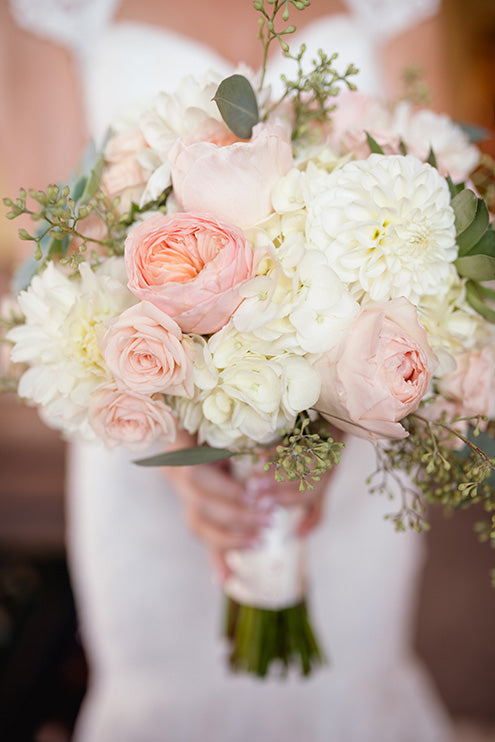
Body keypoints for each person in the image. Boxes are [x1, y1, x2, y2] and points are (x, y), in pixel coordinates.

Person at [4, 1, 453, 740]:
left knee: (351, 683)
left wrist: (345, 404)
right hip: (144, 441)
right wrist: (179, 451)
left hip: (359, 453)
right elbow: (53, 252)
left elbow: (433, 216)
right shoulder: (53, 10)